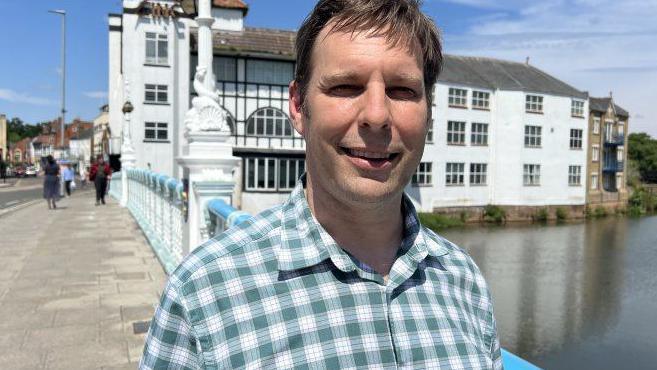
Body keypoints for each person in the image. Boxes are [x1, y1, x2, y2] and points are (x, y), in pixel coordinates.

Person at [140, 1, 502, 369]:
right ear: (298, 106)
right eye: (346, 87)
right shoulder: (204, 291)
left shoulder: (463, 280)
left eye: (402, 90)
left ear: (429, 113)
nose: (376, 116)